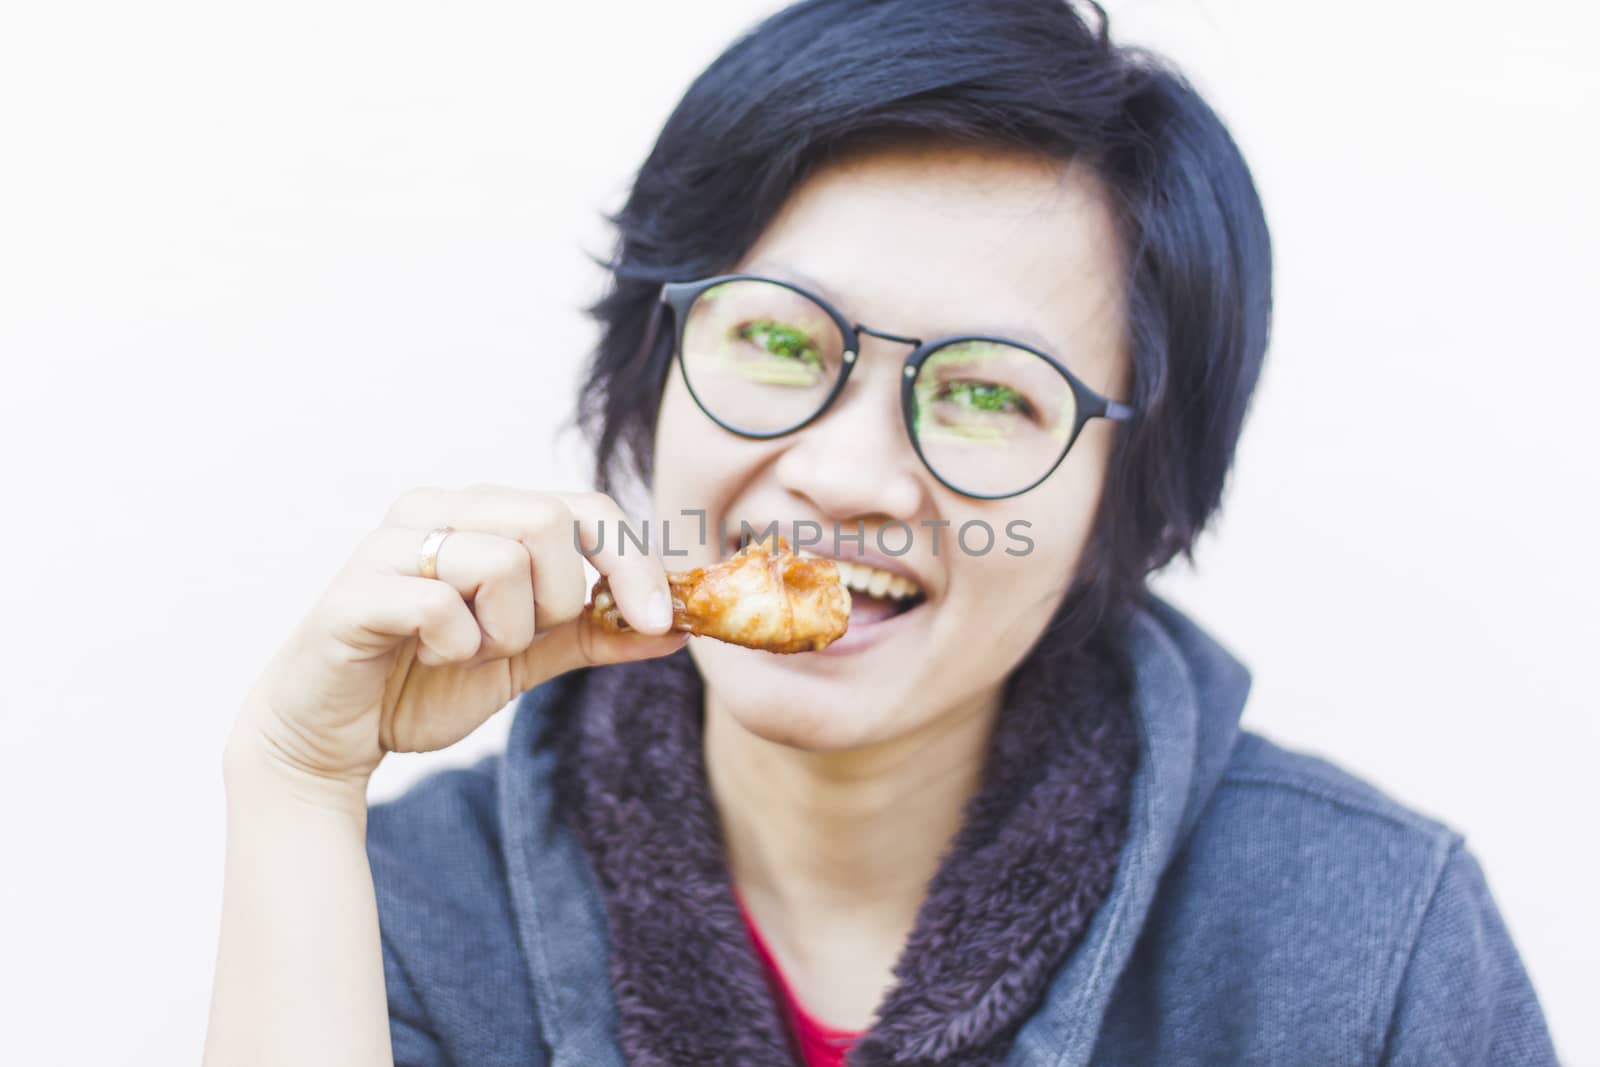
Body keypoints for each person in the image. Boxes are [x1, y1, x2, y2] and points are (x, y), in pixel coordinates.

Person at [202, 1, 1560, 1064]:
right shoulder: (413, 907)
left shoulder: (1372, 935)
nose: (849, 475)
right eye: (781, 340)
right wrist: (293, 784)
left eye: (982, 394)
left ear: (1121, 500)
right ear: (651, 370)